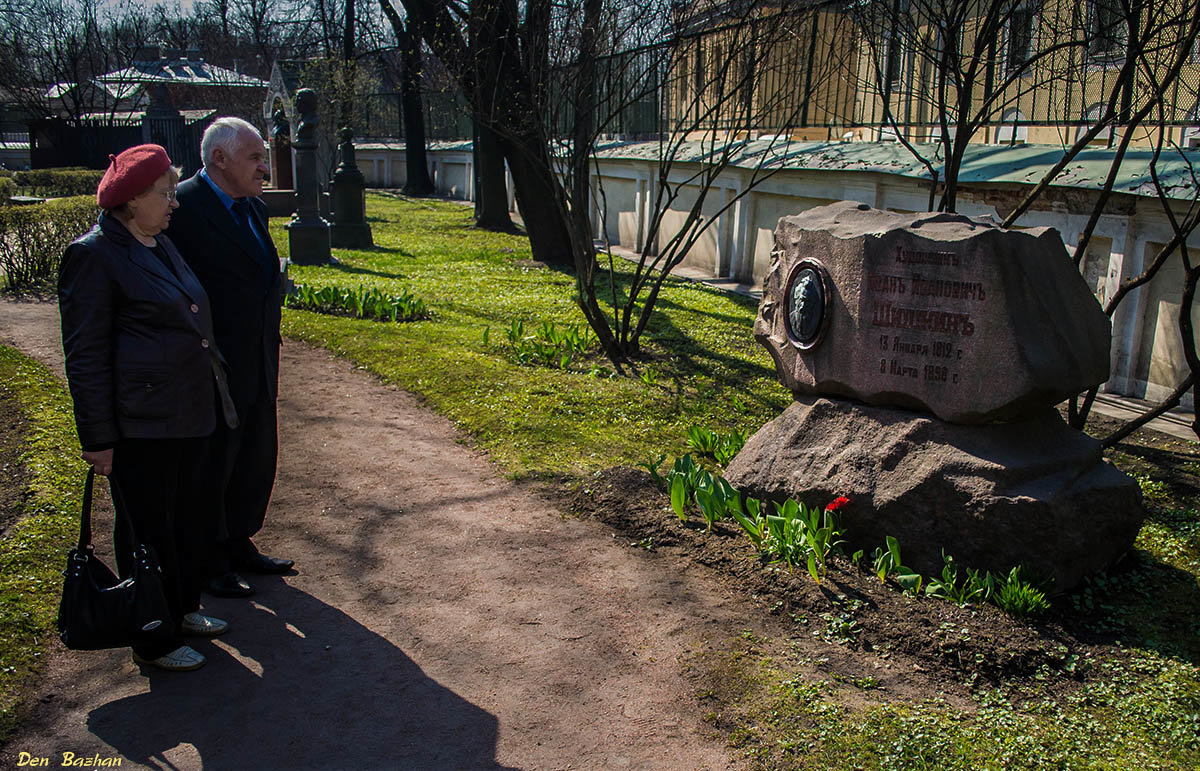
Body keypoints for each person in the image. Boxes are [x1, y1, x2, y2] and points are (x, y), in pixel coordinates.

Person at [59, 144, 239, 672]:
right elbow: (85, 355)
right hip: (142, 426)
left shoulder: (159, 243)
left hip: (189, 414)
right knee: (148, 530)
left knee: (187, 520)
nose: (174, 203)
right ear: (131, 201)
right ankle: (152, 636)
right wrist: (97, 437)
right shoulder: (93, 255)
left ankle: (181, 609)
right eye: (164, 194)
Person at [168, 117, 293, 598]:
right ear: (219, 159)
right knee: (213, 463)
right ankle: (209, 558)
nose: (265, 168)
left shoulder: (253, 209)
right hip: (213, 365)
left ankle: (240, 541)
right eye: (255, 159)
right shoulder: (184, 206)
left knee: (257, 455)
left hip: (259, 356)